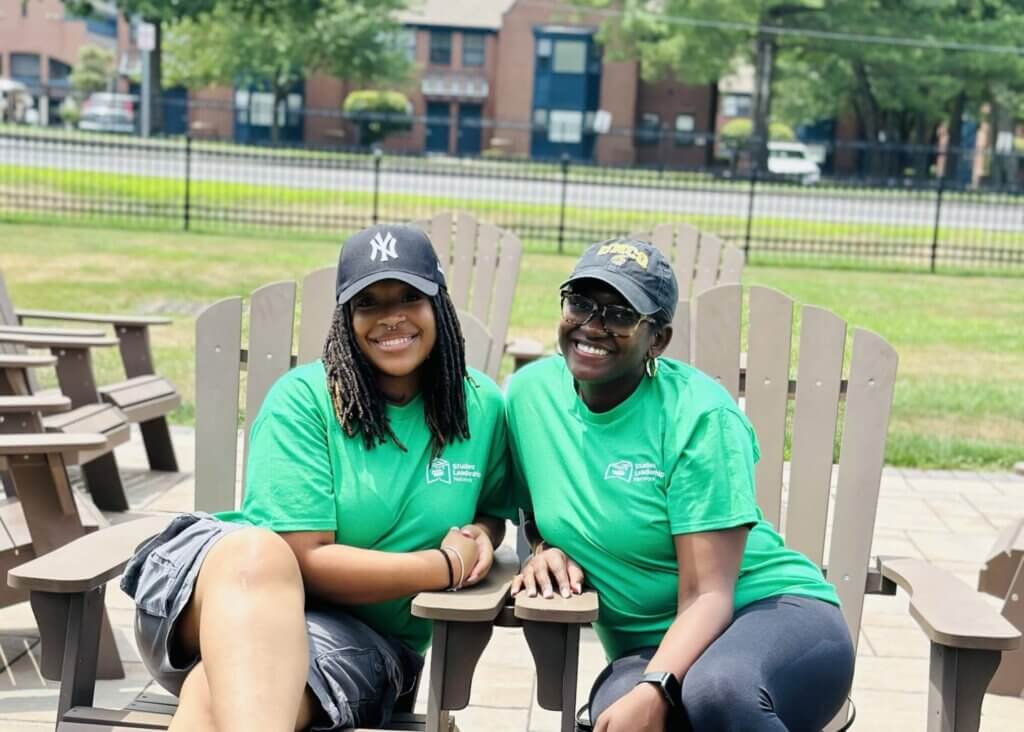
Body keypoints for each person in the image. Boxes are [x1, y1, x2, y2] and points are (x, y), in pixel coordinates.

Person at [121, 225, 514, 732]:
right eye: (368, 302)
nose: (391, 316)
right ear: (346, 318)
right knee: (259, 552)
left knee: (215, 692)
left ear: (439, 303)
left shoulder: (480, 407)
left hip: (357, 642)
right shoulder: (302, 400)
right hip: (215, 596)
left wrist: (480, 535)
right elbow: (303, 559)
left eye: (410, 296)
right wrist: (441, 567)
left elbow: (491, 509)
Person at [507, 238, 854, 732]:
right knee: (617, 714)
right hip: (644, 645)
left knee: (718, 692)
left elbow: (709, 593)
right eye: (579, 303)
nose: (592, 325)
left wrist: (658, 685)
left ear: (658, 340)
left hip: (767, 616)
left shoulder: (699, 415)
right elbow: (530, 510)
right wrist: (542, 547)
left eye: (620, 315)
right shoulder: (529, 396)